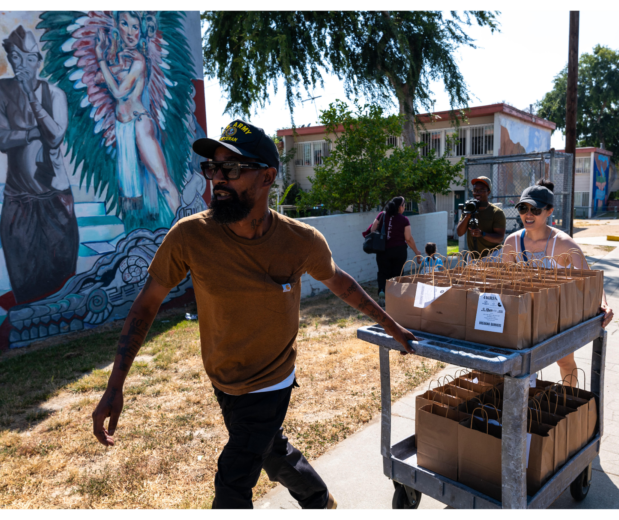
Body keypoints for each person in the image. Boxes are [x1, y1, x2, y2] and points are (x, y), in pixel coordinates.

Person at [91, 119, 418, 509]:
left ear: (267, 177)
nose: (218, 180)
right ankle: (319, 500)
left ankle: (314, 500)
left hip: (271, 382)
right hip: (224, 379)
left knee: (234, 479)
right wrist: (115, 385)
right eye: (213, 168)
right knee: (270, 450)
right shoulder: (190, 237)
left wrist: (392, 325)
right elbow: (146, 305)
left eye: (231, 169)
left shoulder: (300, 241)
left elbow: (340, 282)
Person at [0, 26, 79, 304]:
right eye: (16, 57)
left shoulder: (54, 94)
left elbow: (55, 136)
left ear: (38, 61)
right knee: (23, 274)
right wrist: (30, 133)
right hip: (18, 200)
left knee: (61, 270)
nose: (22, 64)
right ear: (9, 58)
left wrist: (31, 97)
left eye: (29, 58)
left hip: (55, 198)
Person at [500, 179, 614, 385]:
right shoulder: (512, 242)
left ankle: (569, 401)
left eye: (535, 209)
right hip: (523, 313)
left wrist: (603, 303)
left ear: (549, 211)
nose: (528, 214)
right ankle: (522, 407)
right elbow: (503, 282)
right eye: (523, 208)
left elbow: (590, 278)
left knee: (564, 361)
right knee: (518, 365)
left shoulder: (562, 243)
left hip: (556, 315)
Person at [95, 11, 181, 216]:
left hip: (139, 124)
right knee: (130, 193)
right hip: (123, 127)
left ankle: (185, 227)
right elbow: (100, 77)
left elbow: (117, 92)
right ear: (117, 26)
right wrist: (111, 67)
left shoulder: (139, 60)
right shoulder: (123, 59)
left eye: (135, 26)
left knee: (163, 181)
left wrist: (101, 59)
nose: (131, 32)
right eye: (125, 24)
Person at [363, 196, 421, 300]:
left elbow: (373, 229)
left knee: (382, 272)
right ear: (400, 207)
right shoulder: (404, 220)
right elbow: (408, 238)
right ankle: (394, 296)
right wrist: (417, 251)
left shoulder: (382, 215)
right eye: (404, 205)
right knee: (397, 273)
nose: (404, 208)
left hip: (382, 250)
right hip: (399, 251)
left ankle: (382, 291)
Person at [456, 176, 506, 258]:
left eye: (481, 190)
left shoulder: (496, 212)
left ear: (488, 192)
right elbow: (460, 233)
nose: (477, 193)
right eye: (475, 190)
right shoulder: (469, 209)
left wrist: (482, 234)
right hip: (473, 257)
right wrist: (468, 216)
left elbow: (500, 238)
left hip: (492, 255)